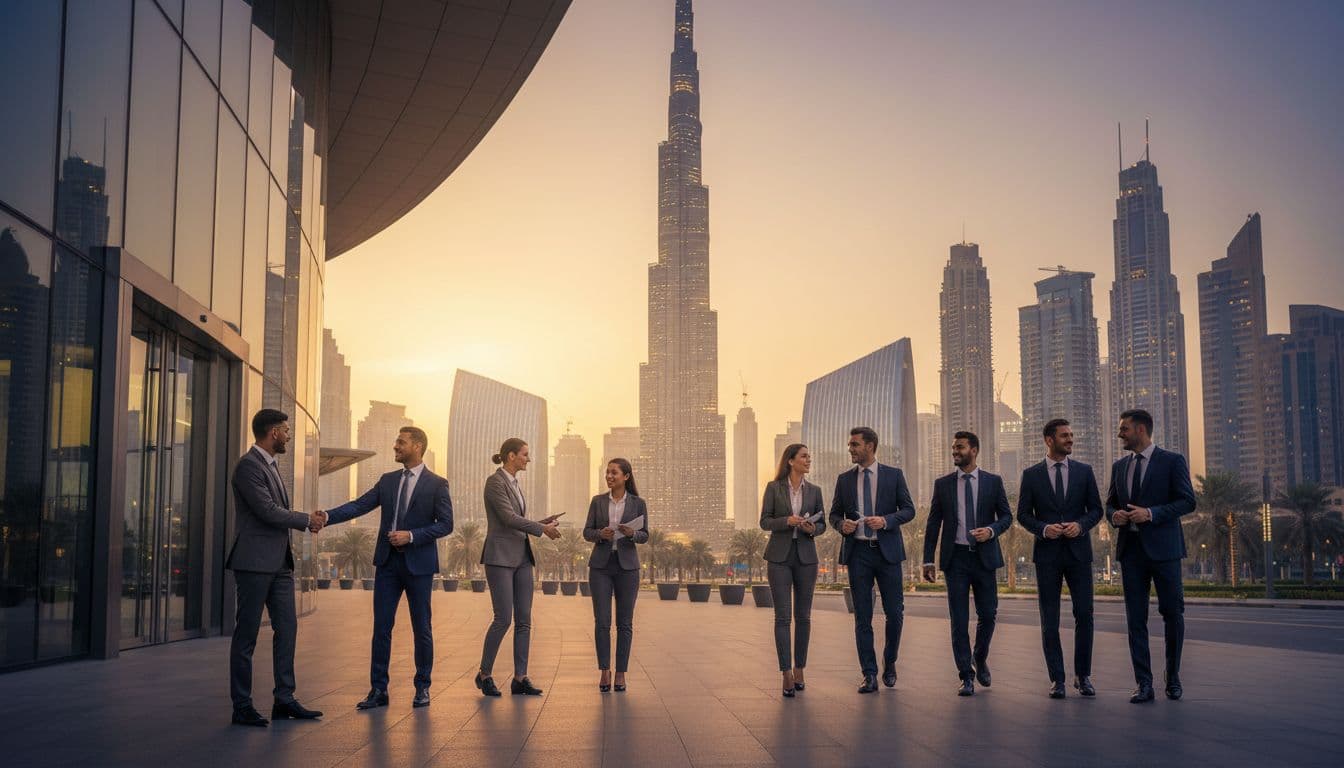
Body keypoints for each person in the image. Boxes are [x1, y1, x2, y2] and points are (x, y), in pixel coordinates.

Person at [322, 426, 454, 710]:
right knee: (381, 628)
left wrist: (412, 535)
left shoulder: (437, 484)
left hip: (419, 565)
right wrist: (327, 516)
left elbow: (446, 524)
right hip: (387, 564)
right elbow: (359, 506)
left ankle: (422, 688)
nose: (395, 446)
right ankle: (378, 690)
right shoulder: (388, 481)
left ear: (417, 446)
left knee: (423, 628)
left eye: (400, 442)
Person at [226, 409, 324, 727]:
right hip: (254, 563)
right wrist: (306, 520)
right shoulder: (248, 467)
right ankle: (242, 705)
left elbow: (275, 510)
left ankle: (284, 698)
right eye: (285, 429)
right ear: (272, 432)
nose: (289, 434)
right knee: (247, 636)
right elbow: (268, 511)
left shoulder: (271, 466)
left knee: (288, 629)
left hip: (280, 563)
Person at [1105, 409, 1197, 703]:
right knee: (1135, 620)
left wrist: (1152, 513)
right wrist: (1114, 516)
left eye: (1124, 429)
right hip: (1131, 553)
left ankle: (1173, 678)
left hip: (1165, 552)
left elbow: (1187, 501)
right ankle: (1143, 683)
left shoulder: (1172, 461)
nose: (1120, 433)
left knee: (1172, 614)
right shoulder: (1120, 467)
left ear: (1141, 430)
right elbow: (1109, 505)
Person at [1016, 418, 1103, 699]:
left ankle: (1083, 675)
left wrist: (1081, 525)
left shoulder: (1084, 471)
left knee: (1085, 615)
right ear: (1049, 440)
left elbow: (1096, 510)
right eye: (1064, 435)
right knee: (1049, 618)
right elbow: (1023, 515)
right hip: (1047, 555)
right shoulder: (1031, 475)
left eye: (1071, 435)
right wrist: (1043, 529)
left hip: (1079, 553)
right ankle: (1057, 679)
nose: (1070, 439)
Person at [921, 431, 1012, 696]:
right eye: (953, 448)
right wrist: (928, 559)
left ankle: (980, 656)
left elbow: (1006, 516)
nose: (954, 452)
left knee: (988, 614)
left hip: (984, 558)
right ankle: (966, 675)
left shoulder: (993, 482)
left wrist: (991, 530)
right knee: (958, 620)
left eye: (959, 447)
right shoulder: (943, 484)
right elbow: (933, 523)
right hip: (956, 559)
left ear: (974, 449)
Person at [828, 427, 916, 694]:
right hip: (859, 554)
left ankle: (890, 663)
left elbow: (909, 510)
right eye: (850, 445)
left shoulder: (893, 475)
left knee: (895, 613)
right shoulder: (844, 480)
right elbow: (834, 515)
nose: (850, 449)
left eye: (855, 444)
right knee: (862, 617)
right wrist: (841, 525)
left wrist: (886, 521)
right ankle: (869, 674)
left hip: (887, 552)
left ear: (870, 446)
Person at [476, 438, 562, 697]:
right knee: (503, 619)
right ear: (511, 456)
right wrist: (541, 529)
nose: (528, 458)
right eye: (525, 454)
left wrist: (540, 523)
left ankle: (520, 678)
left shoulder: (514, 483)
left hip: (522, 557)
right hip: (500, 557)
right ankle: (484, 674)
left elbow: (515, 521)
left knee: (524, 620)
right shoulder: (495, 482)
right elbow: (507, 518)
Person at [760, 443, 826, 698]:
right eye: (804, 456)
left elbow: (823, 526)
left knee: (804, 617)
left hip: (807, 558)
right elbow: (764, 521)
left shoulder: (815, 491)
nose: (808, 460)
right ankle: (786, 672)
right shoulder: (773, 488)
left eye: (809, 456)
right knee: (783, 618)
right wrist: (786, 521)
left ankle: (800, 669)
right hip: (779, 558)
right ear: (790, 461)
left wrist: (812, 528)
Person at [582, 458, 649, 693]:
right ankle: (604, 672)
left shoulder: (638, 503)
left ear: (626, 477)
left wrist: (632, 534)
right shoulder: (598, 501)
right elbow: (586, 532)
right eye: (607, 472)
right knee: (602, 622)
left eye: (614, 473)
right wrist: (601, 534)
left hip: (627, 568)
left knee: (625, 623)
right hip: (601, 567)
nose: (609, 476)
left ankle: (620, 673)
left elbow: (645, 535)